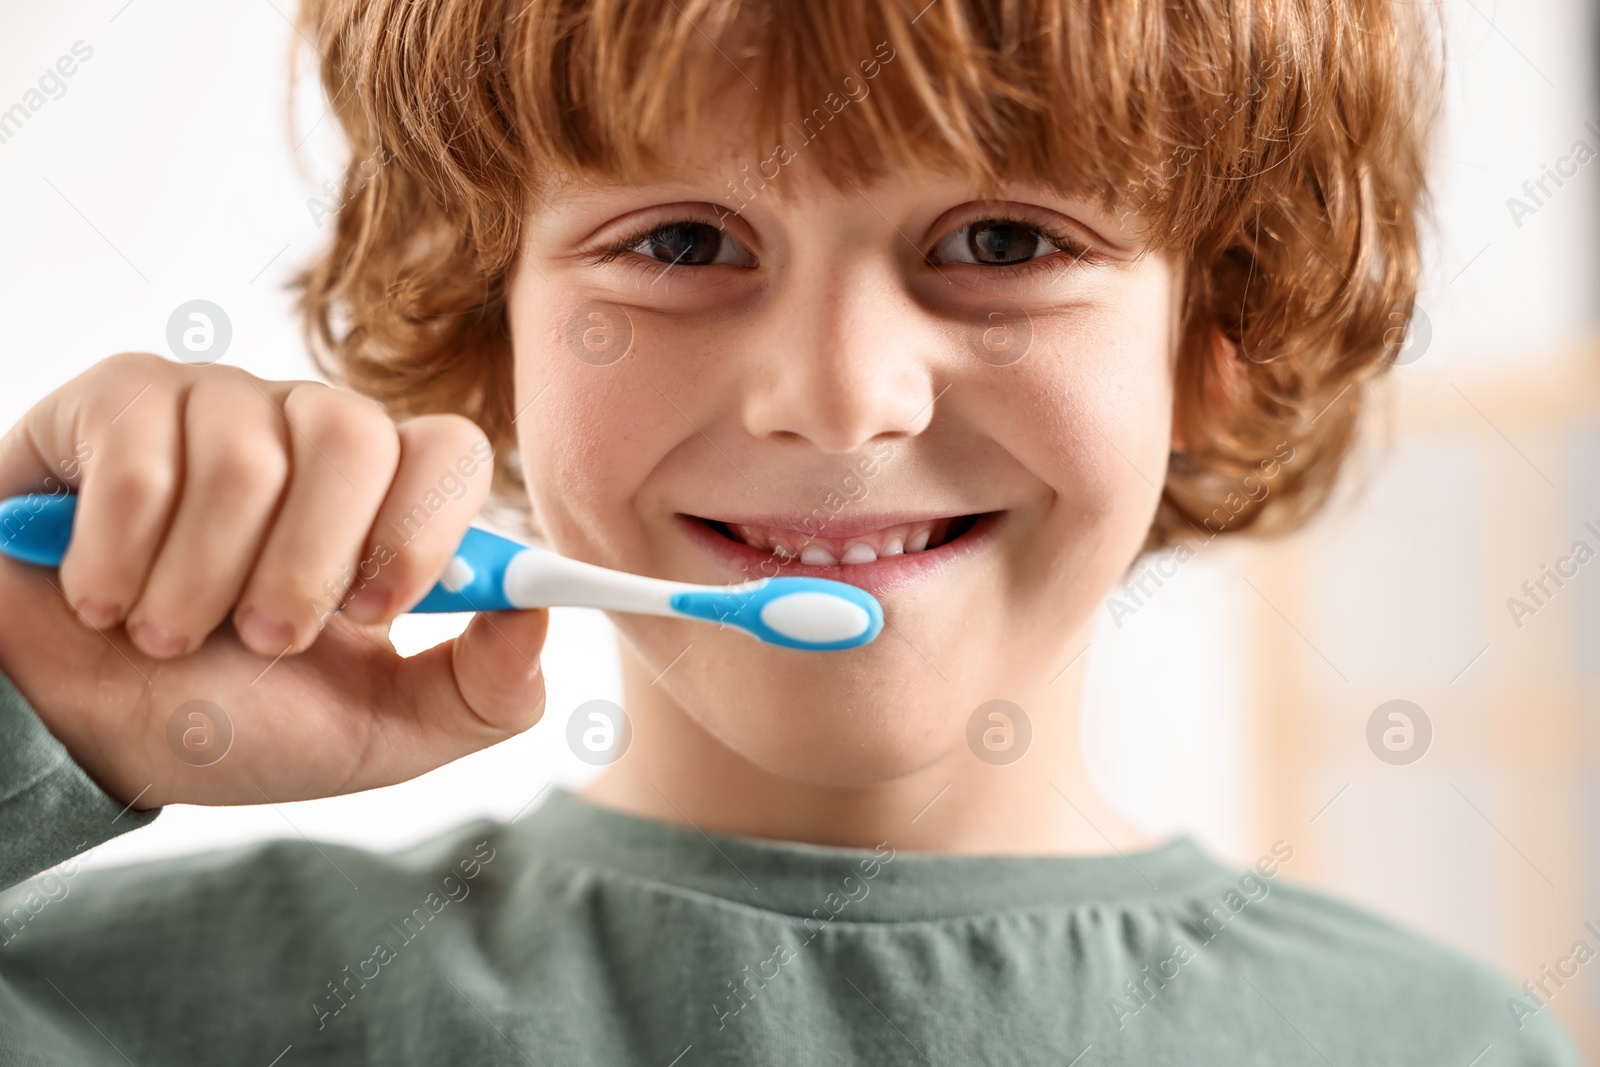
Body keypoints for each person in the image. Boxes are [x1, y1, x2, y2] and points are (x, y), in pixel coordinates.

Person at [0, 0, 1582, 1062]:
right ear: (494, 336)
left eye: (1003, 240)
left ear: (1211, 342)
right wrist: (31, 712)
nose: (837, 401)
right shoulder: (140, 1010)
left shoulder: (1445, 1044)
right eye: (683, 242)